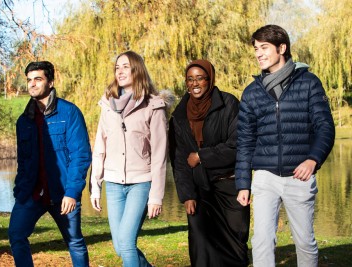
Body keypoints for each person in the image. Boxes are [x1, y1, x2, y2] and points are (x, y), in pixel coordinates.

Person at [236, 24, 335, 267]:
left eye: (264, 47)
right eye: (256, 49)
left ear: (282, 48)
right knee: (261, 239)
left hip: (299, 176)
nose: (258, 53)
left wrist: (313, 160)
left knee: (304, 241)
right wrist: (243, 183)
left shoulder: (309, 83)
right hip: (264, 176)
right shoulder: (251, 93)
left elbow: (325, 127)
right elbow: (245, 140)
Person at [8, 61, 92, 267]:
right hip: (31, 193)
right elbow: (23, 160)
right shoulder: (23, 120)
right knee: (16, 235)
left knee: (75, 242)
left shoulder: (69, 113)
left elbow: (80, 155)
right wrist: (19, 190)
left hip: (63, 193)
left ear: (51, 82)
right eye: (29, 80)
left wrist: (72, 192)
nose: (32, 84)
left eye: (38, 79)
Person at [90, 51, 169, 267]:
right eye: (117, 67)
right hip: (114, 183)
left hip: (141, 183)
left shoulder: (153, 105)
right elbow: (100, 147)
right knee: (120, 246)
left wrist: (156, 196)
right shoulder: (107, 104)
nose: (120, 71)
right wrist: (95, 185)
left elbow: (160, 155)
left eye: (126, 66)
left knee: (125, 242)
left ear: (137, 70)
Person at [169, 59, 250, 267]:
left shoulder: (229, 104)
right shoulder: (179, 114)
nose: (194, 84)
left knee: (235, 240)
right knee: (200, 240)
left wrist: (201, 156)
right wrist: (187, 195)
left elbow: (237, 145)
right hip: (199, 187)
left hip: (229, 185)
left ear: (210, 79)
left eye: (200, 78)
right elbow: (178, 159)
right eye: (190, 79)